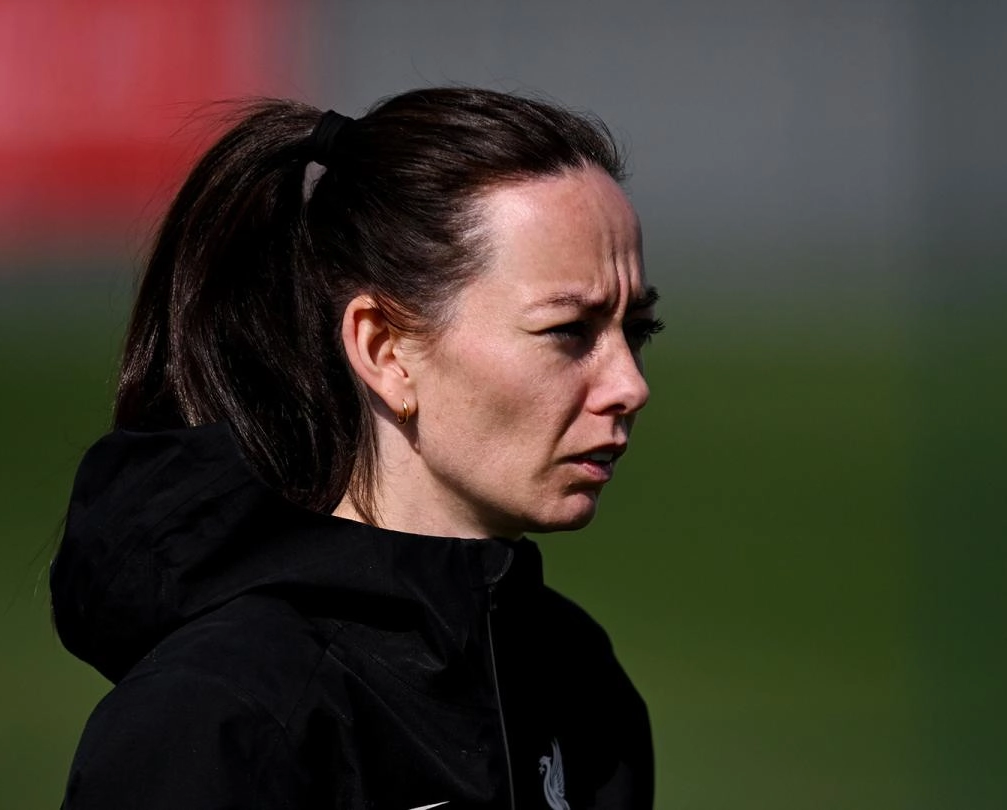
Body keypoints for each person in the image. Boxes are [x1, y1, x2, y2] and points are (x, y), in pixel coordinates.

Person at [51, 87, 662, 809]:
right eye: (568, 331)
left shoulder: (578, 683)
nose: (630, 385)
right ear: (385, 351)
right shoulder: (218, 720)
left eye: (636, 332)